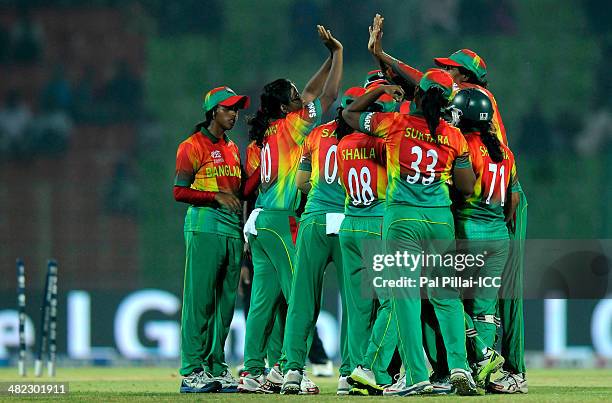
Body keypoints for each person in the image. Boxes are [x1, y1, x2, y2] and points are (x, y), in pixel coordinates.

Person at [368, 14, 529, 392]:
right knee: (474, 299)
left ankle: (437, 370)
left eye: (450, 71)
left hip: (461, 212)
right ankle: (487, 367)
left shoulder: (468, 111)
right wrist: (384, 56)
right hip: (496, 204)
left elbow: (421, 88)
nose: (446, 77)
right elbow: (422, 85)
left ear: (465, 77)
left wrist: (384, 59)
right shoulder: (486, 135)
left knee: (430, 295)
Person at [343, 69, 477, 396]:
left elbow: (349, 114)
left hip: (402, 217)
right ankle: (459, 366)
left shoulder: (394, 124)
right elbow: (467, 186)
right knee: (446, 298)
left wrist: (381, 90)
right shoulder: (454, 136)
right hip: (439, 220)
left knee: (404, 297)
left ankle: (417, 374)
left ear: (417, 96)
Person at [239, 25, 343, 394]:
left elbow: (312, 90)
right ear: (287, 107)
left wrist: (328, 57)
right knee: (300, 298)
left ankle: (252, 371)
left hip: (261, 223)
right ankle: (288, 370)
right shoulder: (296, 127)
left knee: (263, 303)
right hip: (283, 221)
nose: (303, 96)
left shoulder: (269, 130)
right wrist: (339, 53)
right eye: (296, 96)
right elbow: (327, 94)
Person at [281, 87, 363, 395]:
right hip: (349, 223)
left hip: (314, 220)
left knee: (302, 299)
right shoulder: (367, 140)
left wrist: (321, 194)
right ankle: (349, 374)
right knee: (354, 303)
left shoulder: (315, 135)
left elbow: (301, 182)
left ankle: (291, 371)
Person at [174, 86, 251, 393]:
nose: (234, 114)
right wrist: (215, 196)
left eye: (236, 109)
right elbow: (179, 191)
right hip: (204, 228)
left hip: (232, 232)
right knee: (199, 302)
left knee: (225, 305)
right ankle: (191, 370)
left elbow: (241, 194)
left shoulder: (233, 147)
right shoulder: (191, 146)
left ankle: (215, 366)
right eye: (228, 109)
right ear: (213, 112)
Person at [450, 88, 520, 389]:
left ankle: (480, 355)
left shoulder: (462, 144)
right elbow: (513, 199)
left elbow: (457, 189)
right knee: (485, 309)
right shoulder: (505, 152)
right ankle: (485, 372)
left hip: (468, 231)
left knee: (446, 298)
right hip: (498, 237)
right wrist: (498, 224)